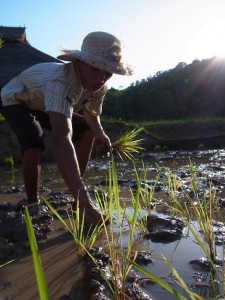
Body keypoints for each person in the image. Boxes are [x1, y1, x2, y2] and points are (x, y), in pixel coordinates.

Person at [0, 31, 134, 226]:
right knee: (33, 139)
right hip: (16, 98)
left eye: (108, 71)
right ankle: (33, 202)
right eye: (96, 68)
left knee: (87, 129)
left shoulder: (100, 84)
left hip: (43, 103)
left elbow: (91, 113)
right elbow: (62, 139)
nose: (101, 77)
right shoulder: (61, 83)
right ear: (79, 63)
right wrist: (87, 204)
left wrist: (100, 133)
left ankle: (76, 196)